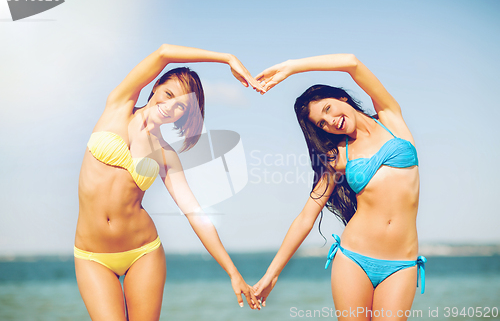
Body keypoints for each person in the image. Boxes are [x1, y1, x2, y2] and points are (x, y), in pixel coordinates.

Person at [74, 44, 262, 321]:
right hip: (91, 255)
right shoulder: (118, 106)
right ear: (155, 86)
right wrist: (227, 58)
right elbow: (164, 53)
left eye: (180, 106)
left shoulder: (165, 154)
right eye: (168, 94)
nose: (170, 106)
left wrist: (233, 272)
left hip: (143, 253)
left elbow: (195, 214)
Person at [252, 54, 426, 320]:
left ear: (341, 97)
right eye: (322, 123)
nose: (331, 121)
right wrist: (272, 273)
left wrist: (291, 67)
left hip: (401, 263)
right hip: (353, 259)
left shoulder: (391, 118)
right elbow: (305, 218)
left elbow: (352, 63)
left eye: (328, 109)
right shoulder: (337, 157)